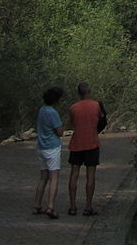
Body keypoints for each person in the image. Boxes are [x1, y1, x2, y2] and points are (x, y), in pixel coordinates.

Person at [67, 82, 107, 216]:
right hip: (92, 142)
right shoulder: (96, 105)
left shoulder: (73, 107)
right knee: (91, 175)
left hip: (77, 142)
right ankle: (88, 206)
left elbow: (72, 123)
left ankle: (72, 206)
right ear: (89, 91)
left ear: (79, 93)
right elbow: (102, 120)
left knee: (74, 174)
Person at [33, 86, 63, 218]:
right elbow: (60, 131)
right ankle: (50, 206)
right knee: (54, 177)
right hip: (52, 147)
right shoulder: (53, 113)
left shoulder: (41, 110)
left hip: (41, 147)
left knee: (43, 177)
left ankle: (37, 204)